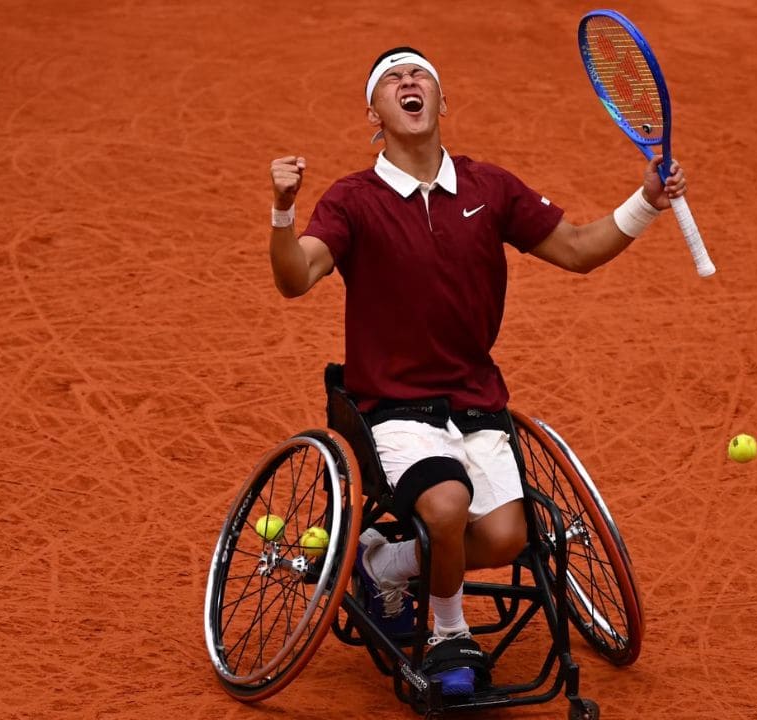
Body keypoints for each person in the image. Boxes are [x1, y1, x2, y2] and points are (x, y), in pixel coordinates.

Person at [269, 46, 686, 697]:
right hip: (393, 405)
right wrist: (284, 212)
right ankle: (449, 635)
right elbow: (297, 277)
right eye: (392, 79)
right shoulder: (354, 199)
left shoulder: (489, 188)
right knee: (446, 505)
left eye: (421, 75)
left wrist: (648, 201)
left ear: (440, 101)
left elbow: (577, 250)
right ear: (374, 114)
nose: (409, 83)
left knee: (502, 537)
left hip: (474, 400)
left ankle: (383, 561)